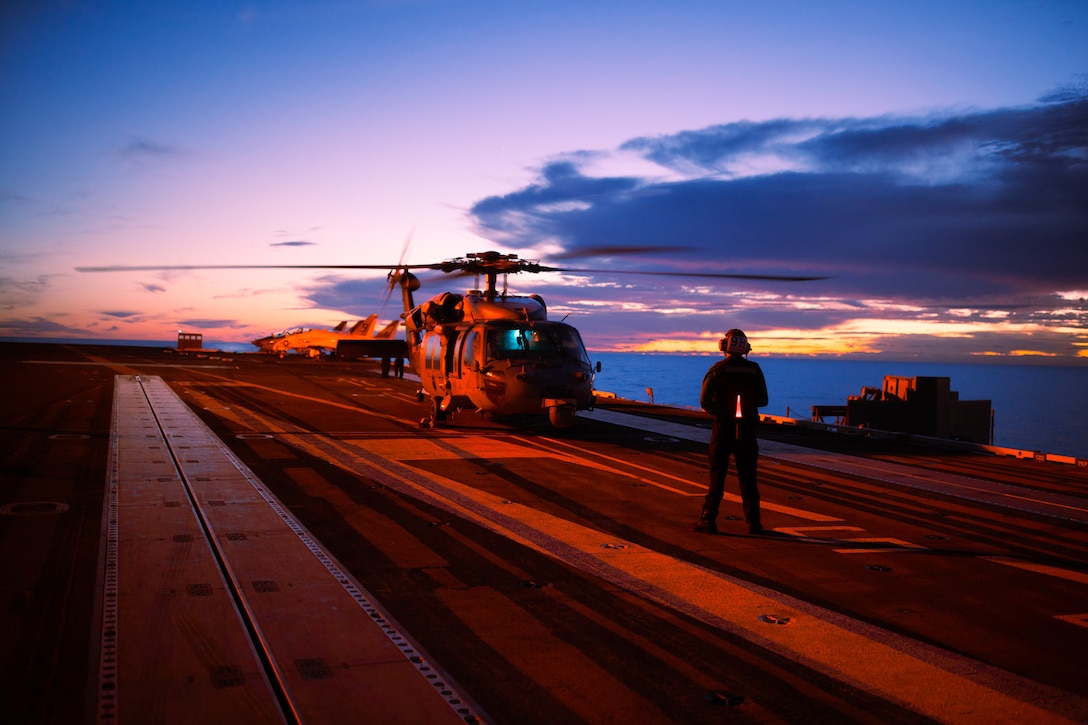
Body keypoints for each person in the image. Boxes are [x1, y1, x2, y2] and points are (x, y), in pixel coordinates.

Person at [692, 329, 769, 535]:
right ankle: (754, 524)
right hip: (747, 429)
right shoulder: (754, 369)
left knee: (717, 475)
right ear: (746, 347)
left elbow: (705, 401)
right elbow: (763, 400)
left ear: (723, 346)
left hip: (723, 428)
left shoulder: (718, 369)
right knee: (748, 478)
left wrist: (722, 412)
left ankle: (708, 520)